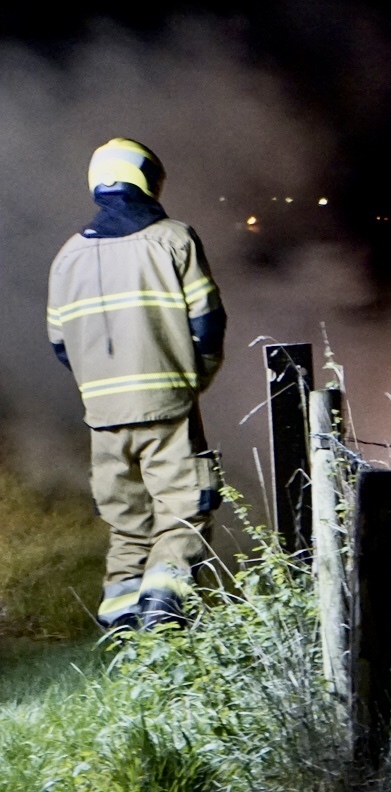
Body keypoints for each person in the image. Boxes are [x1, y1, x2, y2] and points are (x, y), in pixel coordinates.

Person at [47, 138, 227, 630]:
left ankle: (121, 625)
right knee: (184, 511)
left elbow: (61, 343)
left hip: (103, 415)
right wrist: (193, 380)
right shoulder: (173, 238)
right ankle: (165, 614)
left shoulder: (68, 256)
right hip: (167, 407)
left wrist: (102, 387)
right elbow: (208, 324)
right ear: (147, 180)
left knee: (126, 523)